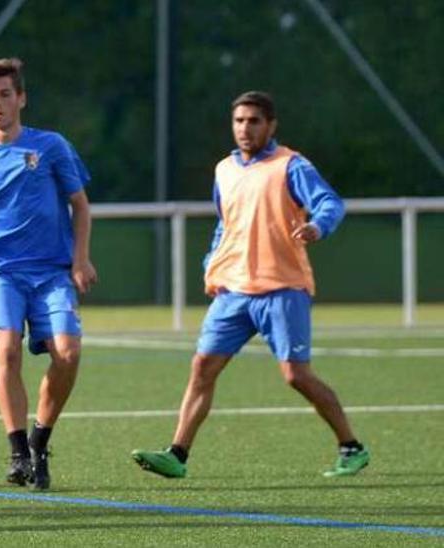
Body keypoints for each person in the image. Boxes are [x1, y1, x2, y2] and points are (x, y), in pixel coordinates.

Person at [131, 91, 368, 479]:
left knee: (296, 375)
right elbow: (226, 223)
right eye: (239, 121)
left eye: (254, 121)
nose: (245, 128)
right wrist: (213, 263)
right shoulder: (224, 169)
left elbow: (330, 203)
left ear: (270, 125)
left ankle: (351, 446)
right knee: (202, 367)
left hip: (283, 287)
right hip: (235, 290)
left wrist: (316, 225)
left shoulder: (290, 166)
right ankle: (177, 453)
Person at [0, 57, 96, 491]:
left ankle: (40, 439)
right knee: (6, 351)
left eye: (4, 94)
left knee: (68, 354)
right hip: (1, 274)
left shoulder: (50, 147)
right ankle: (17, 452)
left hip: (51, 273)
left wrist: (81, 259)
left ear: (21, 99)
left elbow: (80, 205)